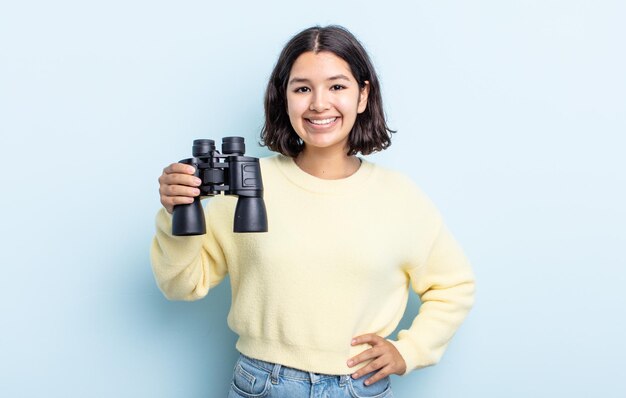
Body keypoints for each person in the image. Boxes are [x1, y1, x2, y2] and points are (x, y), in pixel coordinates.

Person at [151, 25, 475, 398]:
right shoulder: (247, 186)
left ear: (362, 95)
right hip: (261, 382)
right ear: (283, 98)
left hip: (358, 385)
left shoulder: (400, 196)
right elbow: (180, 286)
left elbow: (454, 285)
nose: (319, 103)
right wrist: (175, 212)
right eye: (302, 88)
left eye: (337, 86)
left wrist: (410, 351)